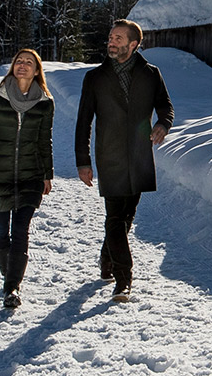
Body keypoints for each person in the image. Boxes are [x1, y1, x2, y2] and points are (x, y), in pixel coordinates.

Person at [75, 19, 174, 301]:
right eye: (110, 37)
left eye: (118, 38)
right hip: (110, 156)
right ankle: (123, 278)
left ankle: (107, 257)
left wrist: (163, 124)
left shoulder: (151, 74)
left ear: (133, 44)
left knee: (127, 217)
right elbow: (83, 122)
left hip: (141, 156)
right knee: (115, 218)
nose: (111, 41)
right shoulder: (94, 78)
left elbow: (166, 106)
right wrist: (83, 161)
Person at [0, 48, 55, 309]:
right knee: (0, 233)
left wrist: (47, 174)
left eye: (29, 62)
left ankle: (12, 288)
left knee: (20, 232)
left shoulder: (44, 103)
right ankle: (10, 277)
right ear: (12, 66)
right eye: (19, 61)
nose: (23, 65)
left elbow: (44, 141)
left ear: (37, 70)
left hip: (30, 176)